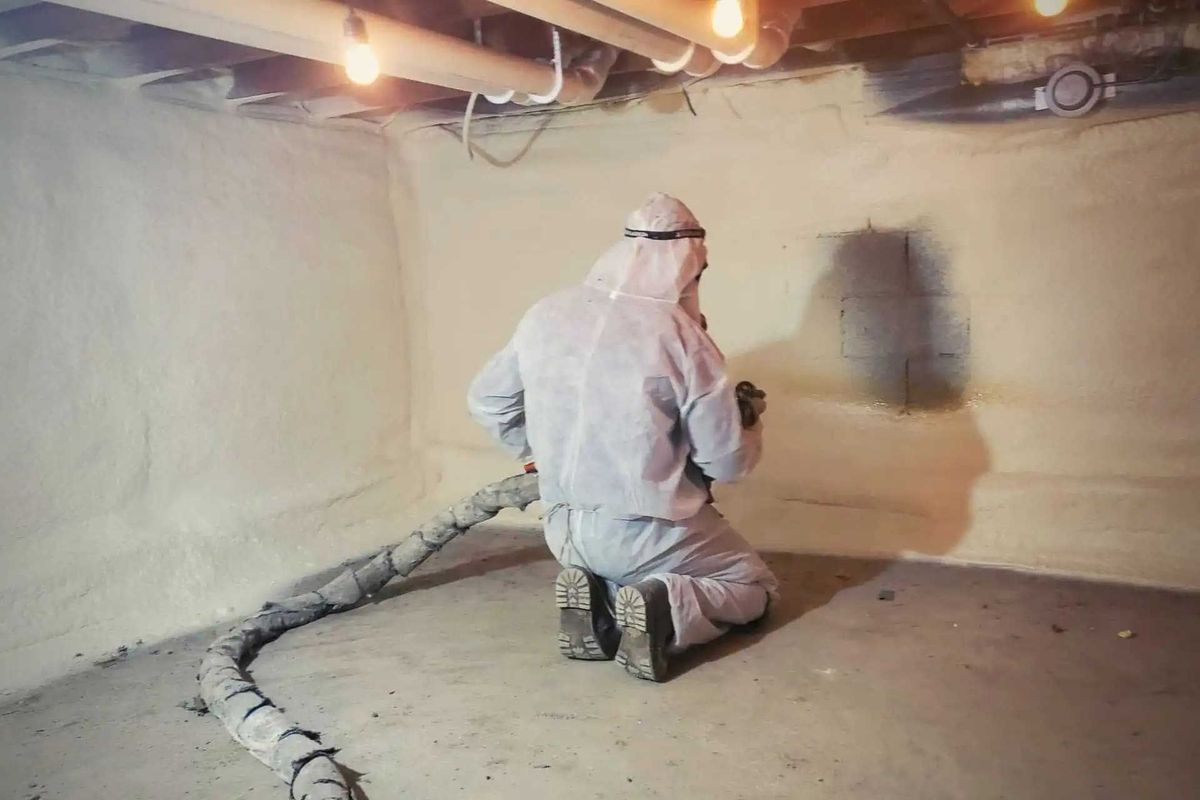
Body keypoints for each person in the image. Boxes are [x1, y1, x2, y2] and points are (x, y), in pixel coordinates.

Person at [467, 193, 778, 682]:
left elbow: (488, 401)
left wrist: (536, 455)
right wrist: (750, 424)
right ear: (687, 265)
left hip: (562, 532)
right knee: (751, 585)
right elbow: (727, 463)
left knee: (622, 570)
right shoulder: (680, 337)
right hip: (647, 532)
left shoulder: (547, 313)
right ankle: (663, 610)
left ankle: (601, 601)